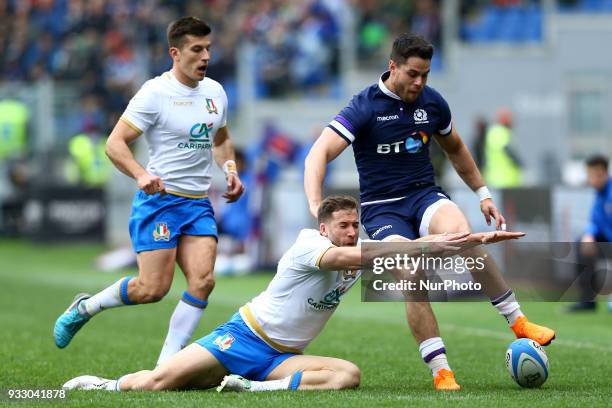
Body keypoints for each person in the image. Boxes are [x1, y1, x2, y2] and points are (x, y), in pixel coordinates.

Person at [62, 195, 523, 393]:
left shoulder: (358, 247)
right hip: (244, 336)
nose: (349, 232)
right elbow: (352, 260)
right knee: (162, 383)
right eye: (342, 226)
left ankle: (255, 389)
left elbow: (404, 253)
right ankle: (101, 384)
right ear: (324, 227)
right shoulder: (311, 245)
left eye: (354, 226)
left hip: (282, 358)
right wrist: (411, 249)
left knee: (349, 375)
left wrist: (472, 242)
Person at [304, 34, 555, 390]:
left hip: (425, 196)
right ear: (393, 67)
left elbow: (456, 149)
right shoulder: (363, 106)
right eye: (413, 74)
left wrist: (482, 193)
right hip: (382, 210)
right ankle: (441, 370)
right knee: (411, 275)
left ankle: (518, 322)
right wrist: (316, 205)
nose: (419, 82)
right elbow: (318, 154)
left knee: (465, 237)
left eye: (426, 75)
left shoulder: (432, 103)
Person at [53, 17, 245, 367]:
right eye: (196, 50)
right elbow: (114, 144)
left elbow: (221, 140)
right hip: (161, 203)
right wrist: (141, 174)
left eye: (208, 49)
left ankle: (166, 366)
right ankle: (85, 307)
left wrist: (230, 169)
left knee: (203, 282)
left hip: (198, 203)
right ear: (175, 52)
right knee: (152, 289)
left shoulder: (215, 93)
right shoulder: (155, 93)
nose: (205, 57)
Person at [566, 155, 612, 312]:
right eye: (589, 175)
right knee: (582, 242)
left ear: (603, 173)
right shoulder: (599, 194)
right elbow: (595, 222)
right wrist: (589, 234)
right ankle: (587, 301)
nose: (591, 179)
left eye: (593, 175)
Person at [482, 107, 523, 188]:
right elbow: (507, 150)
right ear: (503, 119)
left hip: (504, 180)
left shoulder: (498, 131)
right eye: (510, 118)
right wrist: (519, 162)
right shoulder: (498, 131)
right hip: (502, 181)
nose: (512, 121)